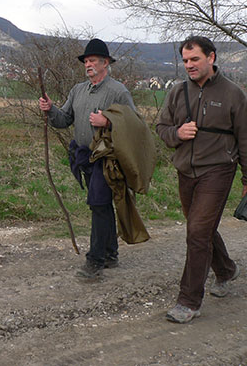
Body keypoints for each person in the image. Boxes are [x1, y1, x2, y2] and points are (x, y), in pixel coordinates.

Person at [157, 35, 247, 324]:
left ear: (211, 57)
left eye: (194, 59)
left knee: (196, 232)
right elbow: (160, 126)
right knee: (201, 229)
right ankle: (225, 269)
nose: (189, 65)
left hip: (219, 170)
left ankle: (189, 301)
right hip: (186, 170)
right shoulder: (176, 92)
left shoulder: (234, 94)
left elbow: (245, 138)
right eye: (185, 60)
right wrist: (176, 134)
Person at [39, 38, 136, 278]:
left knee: (98, 204)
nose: (88, 64)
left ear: (105, 63)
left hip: (107, 158)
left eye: (92, 60)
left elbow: (135, 124)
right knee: (101, 205)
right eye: (86, 60)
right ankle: (111, 254)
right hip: (85, 158)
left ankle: (95, 261)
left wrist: (109, 121)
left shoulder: (118, 91)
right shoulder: (78, 90)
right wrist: (51, 109)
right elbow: (63, 120)